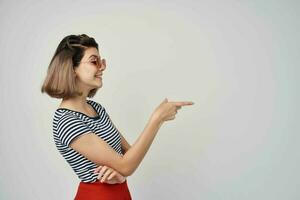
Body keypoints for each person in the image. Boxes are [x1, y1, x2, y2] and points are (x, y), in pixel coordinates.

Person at [41, 34, 194, 200]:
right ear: (72, 69)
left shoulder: (96, 108)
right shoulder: (67, 121)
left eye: (102, 61)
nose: (102, 67)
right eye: (94, 61)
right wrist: (157, 119)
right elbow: (126, 164)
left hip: (120, 193)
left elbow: (129, 154)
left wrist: (121, 175)